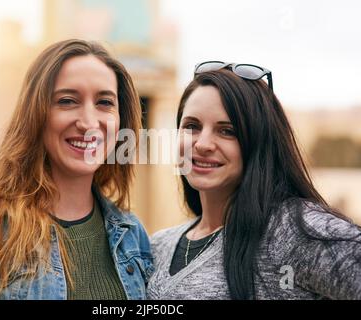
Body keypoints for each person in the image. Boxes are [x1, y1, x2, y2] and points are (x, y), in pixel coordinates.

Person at [0, 39, 153, 300]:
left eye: (105, 102)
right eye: (67, 101)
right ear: (36, 114)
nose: (88, 122)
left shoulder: (133, 235)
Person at [147, 61, 361, 300]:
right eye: (192, 126)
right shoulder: (159, 245)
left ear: (259, 143)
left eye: (227, 130)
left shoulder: (292, 231)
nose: (203, 144)